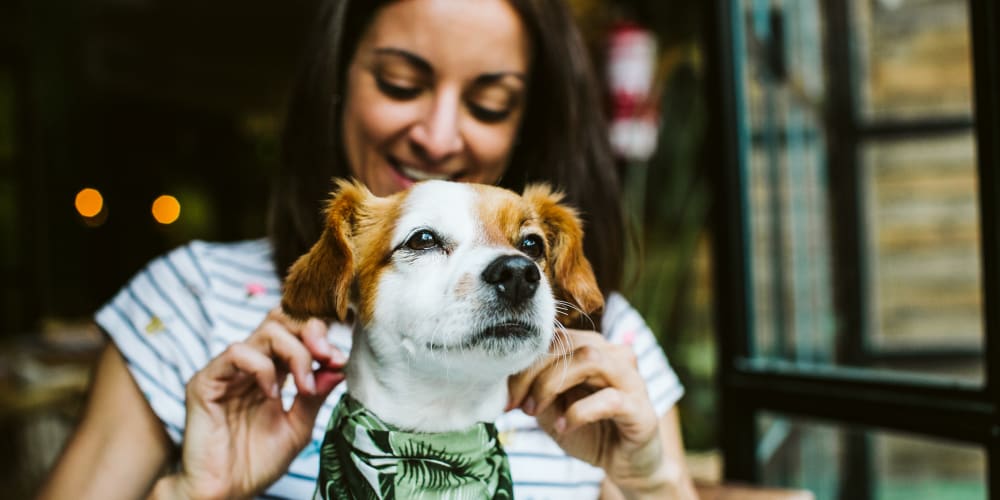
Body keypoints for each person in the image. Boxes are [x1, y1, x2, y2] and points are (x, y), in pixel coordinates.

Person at [39, 0, 699, 498]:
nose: (439, 137)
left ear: (528, 123)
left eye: (490, 104)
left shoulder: (601, 345)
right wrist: (192, 492)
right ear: (337, 78)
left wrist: (653, 485)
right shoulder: (187, 301)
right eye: (400, 84)